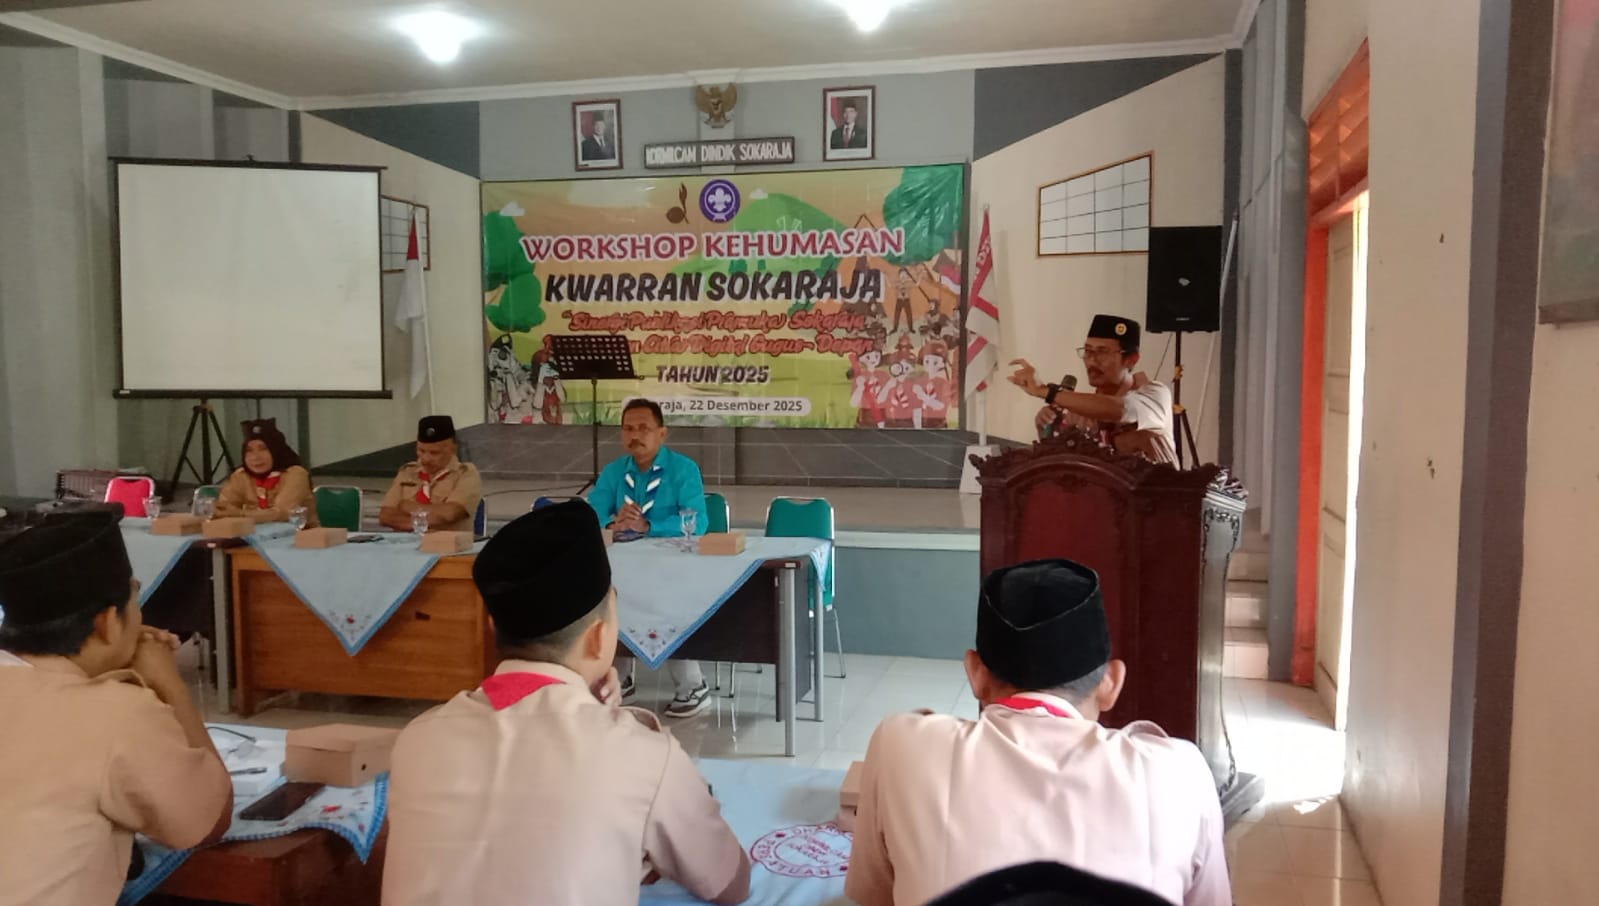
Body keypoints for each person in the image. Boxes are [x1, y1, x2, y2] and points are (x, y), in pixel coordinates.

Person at [383, 502, 751, 906]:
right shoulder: (642, 756)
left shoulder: (417, 741)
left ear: (492, 628)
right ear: (599, 637)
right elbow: (729, 883)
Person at [846, 559, 1231, 906]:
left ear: (976, 673)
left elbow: (874, 897)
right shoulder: (1180, 772)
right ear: (1111, 682)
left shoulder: (901, 746)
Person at [0, 511, 233, 906]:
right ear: (107, 622)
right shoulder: (115, 712)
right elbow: (208, 819)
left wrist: (109, 659)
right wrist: (170, 686)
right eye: (134, 599)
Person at [587, 399, 713, 717]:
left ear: (662, 433)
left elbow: (698, 521)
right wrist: (612, 524)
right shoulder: (615, 472)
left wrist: (648, 526)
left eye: (644, 428)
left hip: (671, 564)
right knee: (607, 594)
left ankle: (693, 686)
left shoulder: (683, 469)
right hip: (624, 563)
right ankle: (620, 679)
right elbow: (592, 513)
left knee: (664, 598)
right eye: (628, 428)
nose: (635, 435)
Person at [1007, 314, 1177, 464]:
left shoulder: (1154, 394)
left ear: (1131, 359)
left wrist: (1046, 391)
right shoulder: (1077, 411)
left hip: (1159, 490)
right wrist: (1049, 427)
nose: (1092, 361)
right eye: (1088, 351)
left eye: (1102, 352)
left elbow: (1119, 409)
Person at [379, 416, 484, 534]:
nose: (426, 459)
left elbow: (449, 514)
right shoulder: (407, 472)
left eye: (434, 453)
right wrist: (425, 520)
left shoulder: (466, 474)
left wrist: (406, 506)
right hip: (405, 543)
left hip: (446, 543)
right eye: (421, 451)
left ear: (453, 449)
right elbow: (386, 516)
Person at [214, 418, 318, 526]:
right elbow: (224, 508)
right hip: (251, 533)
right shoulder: (241, 476)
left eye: (263, 449)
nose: (255, 457)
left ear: (276, 450)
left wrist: (239, 514)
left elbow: (282, 513)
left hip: (298, 534)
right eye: (249, 450)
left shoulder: (296, 474)